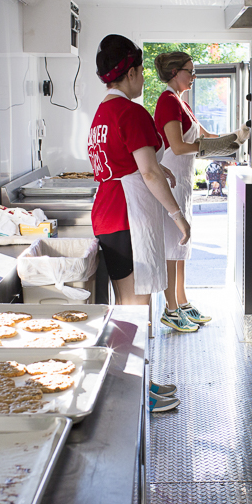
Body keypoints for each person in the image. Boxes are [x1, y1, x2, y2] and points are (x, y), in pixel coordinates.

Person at [87, 34, 190, 412]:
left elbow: (130, 161)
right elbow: (146, 173)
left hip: (108, 213)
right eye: (140, 72)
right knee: (134, 307)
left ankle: (137, 380)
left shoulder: (102, 113)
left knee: (126, 303)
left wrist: (157, 168)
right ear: (129, 72)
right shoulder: (131, 112)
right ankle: (132, 388)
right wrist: (177, 216)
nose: (143, 79)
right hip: (128, 215)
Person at [153, 51, 248, 331]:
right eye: (189, 71)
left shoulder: (182, 104)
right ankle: (170, 309)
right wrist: (216, 147)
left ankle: (182, 302)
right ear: (174, 73)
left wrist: (237, 137)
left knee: (182, 249)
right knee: (173, 248)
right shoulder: (167, 102)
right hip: (170, 181)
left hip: (183, 183)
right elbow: (178, 147)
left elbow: (206, 137)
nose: (193, 77)